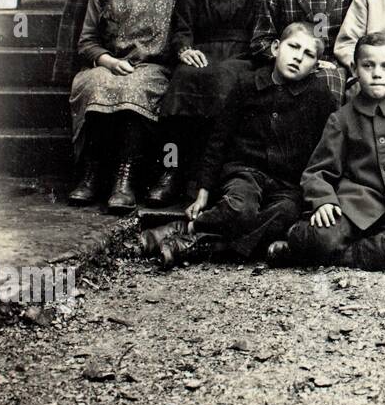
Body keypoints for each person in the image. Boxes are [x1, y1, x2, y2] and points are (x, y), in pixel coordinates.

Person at [140, 22, 337, 267]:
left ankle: (195, 238)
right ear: (276, 47)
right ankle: (192, 229)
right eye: (293, 47)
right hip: (244, 172)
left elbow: (328, 147)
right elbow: (219, 139)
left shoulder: (319, 95)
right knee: (240, 209)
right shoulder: (247, 84)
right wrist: (203, 193)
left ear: (315, 67)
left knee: (285, 215)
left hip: (286, 183)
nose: (298, 57)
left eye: (308, 54)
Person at [272, 32, 385, 270]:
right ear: (354, 68)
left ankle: (317, 255)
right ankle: (302, 239)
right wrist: (323, 201)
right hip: (353, 207)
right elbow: (318, 171)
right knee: (324, 237)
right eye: (368, 65)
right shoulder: (341, 118)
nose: (377, 73)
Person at [149, 0, 274, 206]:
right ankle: (171, 170)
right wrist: (184, 49)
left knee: (224, 80)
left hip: (246, 54)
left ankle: (217, 178)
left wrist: (252, 52)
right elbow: (183, 25)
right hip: (203, 51)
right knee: (182, 81)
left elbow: (267, 28)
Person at [66, 0, 182, 212]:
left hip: (153, 67)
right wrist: (108, 60)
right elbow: (87, 42)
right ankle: (91, 175)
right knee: (96, 84)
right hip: (108, 64)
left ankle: (124, 179)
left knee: (135, 89)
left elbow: (179, 38)